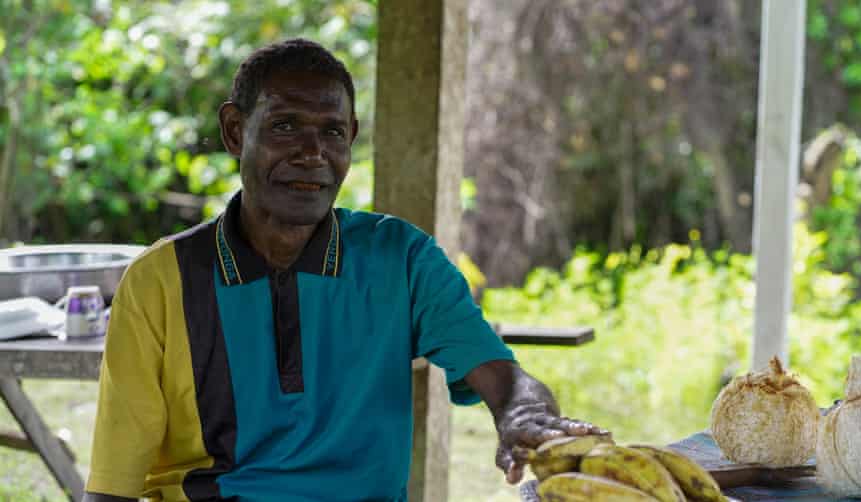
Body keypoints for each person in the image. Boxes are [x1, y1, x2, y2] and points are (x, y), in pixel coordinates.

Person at [83, 38, 605, 502]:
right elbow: (114, 486)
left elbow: (502, 377)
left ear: (351, 137)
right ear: (235, 131)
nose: (312, 153)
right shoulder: (160, 280)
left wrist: (523, 417)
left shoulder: (402, 259)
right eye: (286, 126)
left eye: (332, 132)